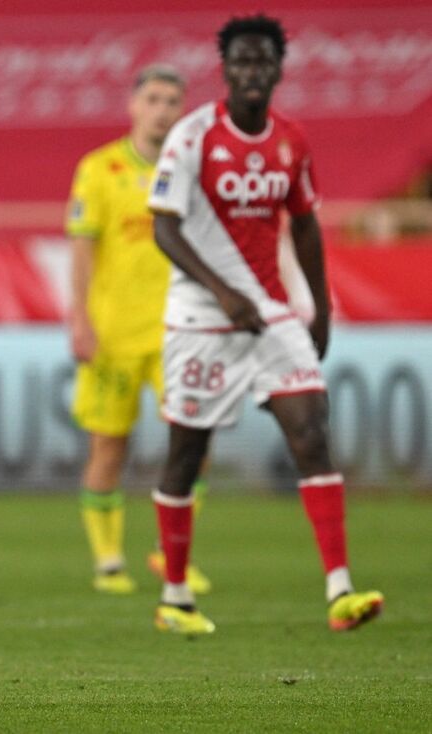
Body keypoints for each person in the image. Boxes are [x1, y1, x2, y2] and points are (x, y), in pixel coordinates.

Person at [147, 14, 383, 634]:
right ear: (225, 70)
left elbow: (304, 223)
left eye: (263, 62)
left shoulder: (291, 140)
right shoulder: (192, 136)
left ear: (278, 70)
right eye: (242, 62)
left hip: (272, 314)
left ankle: (340, 591)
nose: (252, 71)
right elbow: (163, 226)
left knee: (311, 430)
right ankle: (175, 597)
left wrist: (321, 308)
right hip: (201, 320)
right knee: (186, 456)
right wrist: (221, 291)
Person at [66, 65, 212, 595]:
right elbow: (81, 251)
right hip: (115, 334)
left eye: (172, 100)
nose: (162, 109)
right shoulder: (99, 169)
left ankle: (166, 551)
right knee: (110, 446)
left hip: (182, 332)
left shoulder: (192, 168)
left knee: (194, 443)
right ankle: (108, 561)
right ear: (134, 106)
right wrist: (79, 319)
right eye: (153, 98)